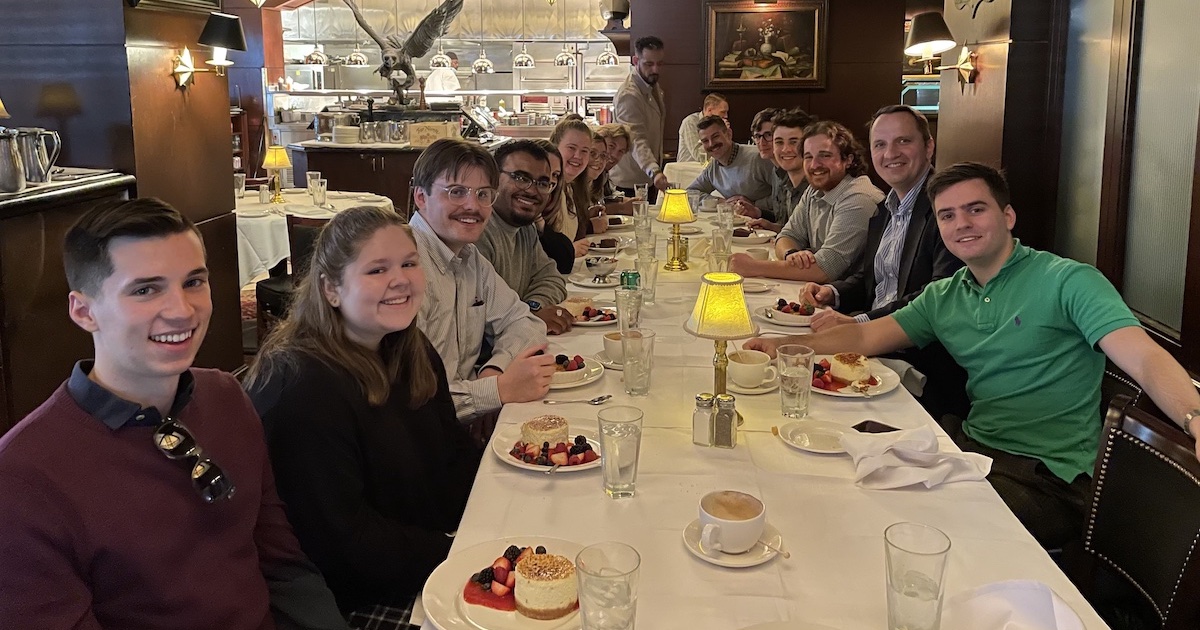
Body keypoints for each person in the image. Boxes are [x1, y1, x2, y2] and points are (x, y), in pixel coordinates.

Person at [746, 162, 1200, 548]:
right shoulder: (946, 295)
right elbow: (864, 340)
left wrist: (1195, 419)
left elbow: (1143, 357)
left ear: (1008, 215)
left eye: (975, 209)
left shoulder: (1068, 281)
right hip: (971, 448)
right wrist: (780, 348)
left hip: (1048, 479)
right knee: (833, 460)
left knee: (907, 525)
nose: (961, 223)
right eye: (947, 215)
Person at [0, 198, 347, 629]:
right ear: (84, 311)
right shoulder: (22, 478)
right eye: (146, 289)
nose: (182, 310)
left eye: (194, 282)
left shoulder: (226, 397)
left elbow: (281, 560)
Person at [245, 207, 481, 628]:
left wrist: (496, 508)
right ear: (331, 289)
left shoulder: (409, 347)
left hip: (421, 561)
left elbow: (453, 453)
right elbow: (344, 543)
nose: (401, 280)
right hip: (352, 600)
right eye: (377, 270)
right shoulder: (301, 383)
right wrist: (458, 555)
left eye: (410, 263)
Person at [801, 105, 968, 419]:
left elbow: (939, 295)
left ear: (929, 146)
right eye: (880, 144)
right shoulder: (885, 208)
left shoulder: (947, 209)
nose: (890, 153)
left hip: (918, 363)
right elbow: (872, 276)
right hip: (873, 347)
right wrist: (833, 293)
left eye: (903, 141)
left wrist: (861, 322)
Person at [408, 138, 554, 423]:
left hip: (459, 432)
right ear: (421, 197)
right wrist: (496, 392)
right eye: (457, 192)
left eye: (484, 194)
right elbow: (415, 400)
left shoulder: (469, 258)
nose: (472, 206)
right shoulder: (404, 269)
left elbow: (525, 322)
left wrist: (494, 373)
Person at [731, 119, 882, 283]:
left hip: (852, 303)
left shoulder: (858, 198)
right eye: (808, 157)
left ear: (848, 160)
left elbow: (824, 271)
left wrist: (753, 267)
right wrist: (791, 255)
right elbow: (787, 236)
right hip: (823, 292)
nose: (815, 165)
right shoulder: (815, 190)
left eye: (825, 155)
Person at [476, 139, 573, 334]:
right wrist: (529, 318)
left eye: (543, 183)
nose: (531, 190)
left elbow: (551, 278)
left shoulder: (525, 228)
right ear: (493, 178)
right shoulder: (477, 232)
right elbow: (482, 318)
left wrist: (532, 308)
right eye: (520, 178)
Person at [729, 108, 813, 225]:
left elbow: (804, 237)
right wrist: (758, 213)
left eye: (768, 135)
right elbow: (787, 223)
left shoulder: (813, 186)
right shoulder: (778, 172)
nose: (762, 142)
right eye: (757, 136)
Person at [611, 36, 668, 202]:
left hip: (646, 177)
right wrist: (654, 170)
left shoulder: (653, 86)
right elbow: (635, 138)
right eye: (649, 64)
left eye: (659, 64)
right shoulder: (629, 94)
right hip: (629, 182)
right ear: (636, 60)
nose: (655, 69)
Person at [686, 114, 774, 201]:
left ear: (729, 134)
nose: (711, 144)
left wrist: (755, 206)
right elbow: (690, 193)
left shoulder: (758, 158)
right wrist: (720, 202)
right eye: (705, 141)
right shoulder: (713, 167)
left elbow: (784, 195)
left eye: (715, 136)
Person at [549, 117, 595, 257]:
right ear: (555, 147)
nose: (577, 156)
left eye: (584, 151)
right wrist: (568, 252)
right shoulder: (546, 191)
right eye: (571, 148)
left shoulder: (571, 189)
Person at [533, 139, 576, 274]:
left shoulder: (555, 200)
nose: (550, 180)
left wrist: (540, 222)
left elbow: (565, 261)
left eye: (555, 175)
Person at [676, 92, 729, 163]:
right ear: (709, 110)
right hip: (688, 169)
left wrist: (724, 133)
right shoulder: (690, 122)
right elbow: (699, 156)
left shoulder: (717, 126)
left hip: (711, 167)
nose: (726, 116)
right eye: (723, 112)